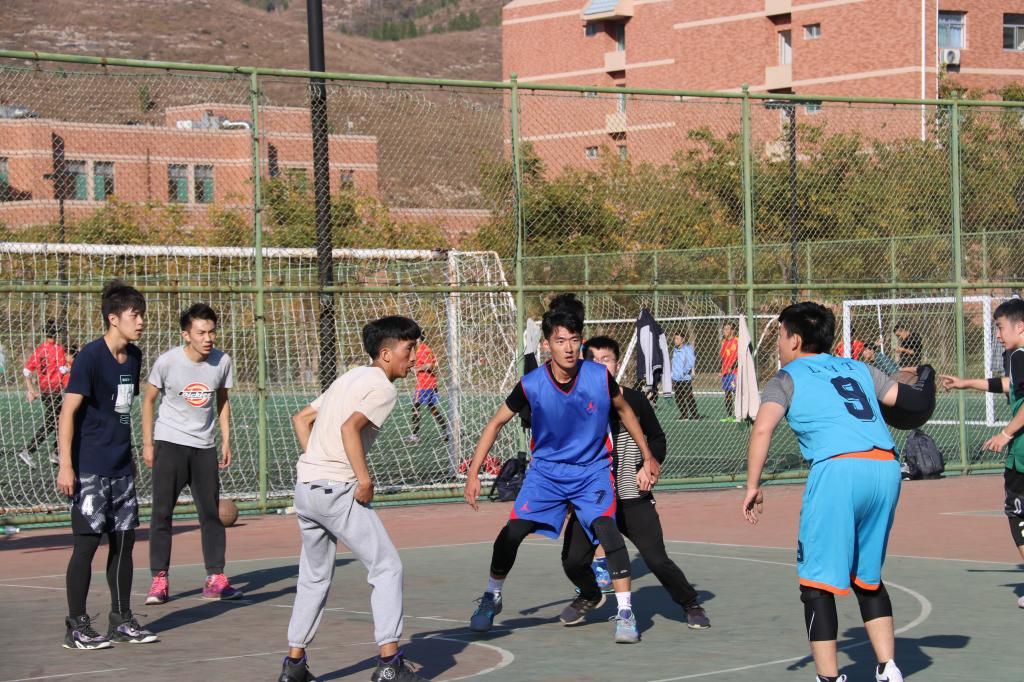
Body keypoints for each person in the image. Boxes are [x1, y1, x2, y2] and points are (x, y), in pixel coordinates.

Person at [742, 301, 934, 682]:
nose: (778, 343)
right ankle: (889, 668)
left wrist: (752, 485)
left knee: (816, 584)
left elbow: (762, 428)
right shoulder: (859, 368)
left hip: (838, 470)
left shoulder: (785, 378)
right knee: (867, 576)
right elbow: (912, 402)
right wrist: (926, 375)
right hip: (885, 467)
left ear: (794, 340)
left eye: (780, 335)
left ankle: (828, 678)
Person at [463, 294, 660, 644]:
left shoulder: (599, 377)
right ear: (547, 344)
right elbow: (495, 422)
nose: (568, 348)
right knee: (513, 532)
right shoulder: (532, 384)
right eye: (560, 340)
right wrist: (474, 472)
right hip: (547, 474)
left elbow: (626, 412)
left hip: (591, 471)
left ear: (581, 341)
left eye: (574, 340)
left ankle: (626, 613)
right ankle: (492, 595)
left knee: (607, 531)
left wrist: (647, 455)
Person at [280, 316, 429, 682]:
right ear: (386, 353)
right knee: (387, 567)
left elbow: (301, 419)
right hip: (337, 490)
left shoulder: (349, 378)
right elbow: (350, 429)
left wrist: (318, 463)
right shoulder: (383, 388)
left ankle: (294, 665)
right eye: (409, 350)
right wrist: (363, 478)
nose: (414, 358)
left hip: (306, 488)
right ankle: (389, 665)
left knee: (314, 577)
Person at [560, 336, 710, 629]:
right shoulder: (574, 403)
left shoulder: (635, 401)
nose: (600, 365)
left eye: (606, 359)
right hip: (592, 500)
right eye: (593, 360)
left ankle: (690, 603)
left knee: (656, 559)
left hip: (632, 498)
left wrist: (648, 464)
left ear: (617, 364)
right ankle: (590, 594)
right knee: (573, 560)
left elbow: (657, 438)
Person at [56, 280, 157, 649]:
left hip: (120, 467)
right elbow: (67, 413)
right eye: (135, 315)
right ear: (113, 318)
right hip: (89, 469)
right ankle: (76, 625)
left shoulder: (134, 356)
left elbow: (122, 413)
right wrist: (66, 465)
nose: (141, 321)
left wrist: (128, 456)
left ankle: (121, 619)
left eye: (142, 315)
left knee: (124, 544)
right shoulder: (89, 357)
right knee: (86, 546)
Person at [143, 303, 240, 605]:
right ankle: (159, 579)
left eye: (211, 332)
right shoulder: (168, 362)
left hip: (204, 447)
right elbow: (148, 400)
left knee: (210, 514)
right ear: (186, 335)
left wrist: (225, 439)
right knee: (162, 513)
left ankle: (215, 578)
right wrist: (148, 444)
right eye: (201, 333)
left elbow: (222, 400)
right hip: (170, 443)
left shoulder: (222, 361)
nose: (208, 338)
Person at [940, 298, 1024, 609]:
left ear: (1020, 326)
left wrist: (1005, 434)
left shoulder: (1019, 355)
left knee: (1017, 514)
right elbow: (1011, 385)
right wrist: (967, 383)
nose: (998, 335)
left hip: (1022, 454)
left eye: (1000, 328)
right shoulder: (1018, 359)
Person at [18, 319, 68, 467]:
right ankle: (29, 450)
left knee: (58, 421)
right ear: (57, 334)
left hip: (45, 391)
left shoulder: (40, 349)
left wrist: (32, 390)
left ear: (45, 333)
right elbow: (63, 369)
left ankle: (56, 453)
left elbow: (26, 371)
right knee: (53, 423)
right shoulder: (58, 349)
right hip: (55, 391)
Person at [406, 334, 449, 444]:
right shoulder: (424, 349)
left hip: (424, 385)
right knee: (432, 408)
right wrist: (412, 369)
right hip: (430, 384)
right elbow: (435, 363)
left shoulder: (422, 350)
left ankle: (415, 435)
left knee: (415, 407)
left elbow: (430, 365)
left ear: (417, 338)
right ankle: (446, 430)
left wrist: (418, 369)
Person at [671, 333, 699, 420]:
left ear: (682, 340)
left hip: (685, 378)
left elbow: (691, 362)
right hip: (676, 378)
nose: (675, 340)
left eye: (677, 339)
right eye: (675, 338)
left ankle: (694, 415)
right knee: (678, 398)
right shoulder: (675, 350)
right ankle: (684, 414)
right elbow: (674, 363)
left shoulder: (688, 349)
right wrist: (673, 375)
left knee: (688, 396)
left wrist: (683, 372)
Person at [719, 321, 738, 421]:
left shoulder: (737, 341)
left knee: (737, 393)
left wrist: (733, 366)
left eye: (727, 329)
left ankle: (739, 415)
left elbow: (740, 357)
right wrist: (720, 370)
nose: (724, 331)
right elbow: (722, 357)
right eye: (724, 329)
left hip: (735, 372)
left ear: (732, 330)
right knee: (727, 394)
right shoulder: (724, 342)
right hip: (725, 373)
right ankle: (729, 416)